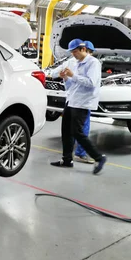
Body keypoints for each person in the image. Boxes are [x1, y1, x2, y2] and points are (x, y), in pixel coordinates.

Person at [51, 39, 106, 174]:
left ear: (83, 49)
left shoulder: (93, 63)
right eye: (72, 52)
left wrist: (73, 76)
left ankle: (99, 157)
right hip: (71, 100)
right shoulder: (74, 63)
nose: (73, 55)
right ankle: (67, 160)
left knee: (77, 132)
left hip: (83, 102)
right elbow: (71, 85)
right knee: (66, 131)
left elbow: (92, 83)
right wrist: (65, 78)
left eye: (75, 52)